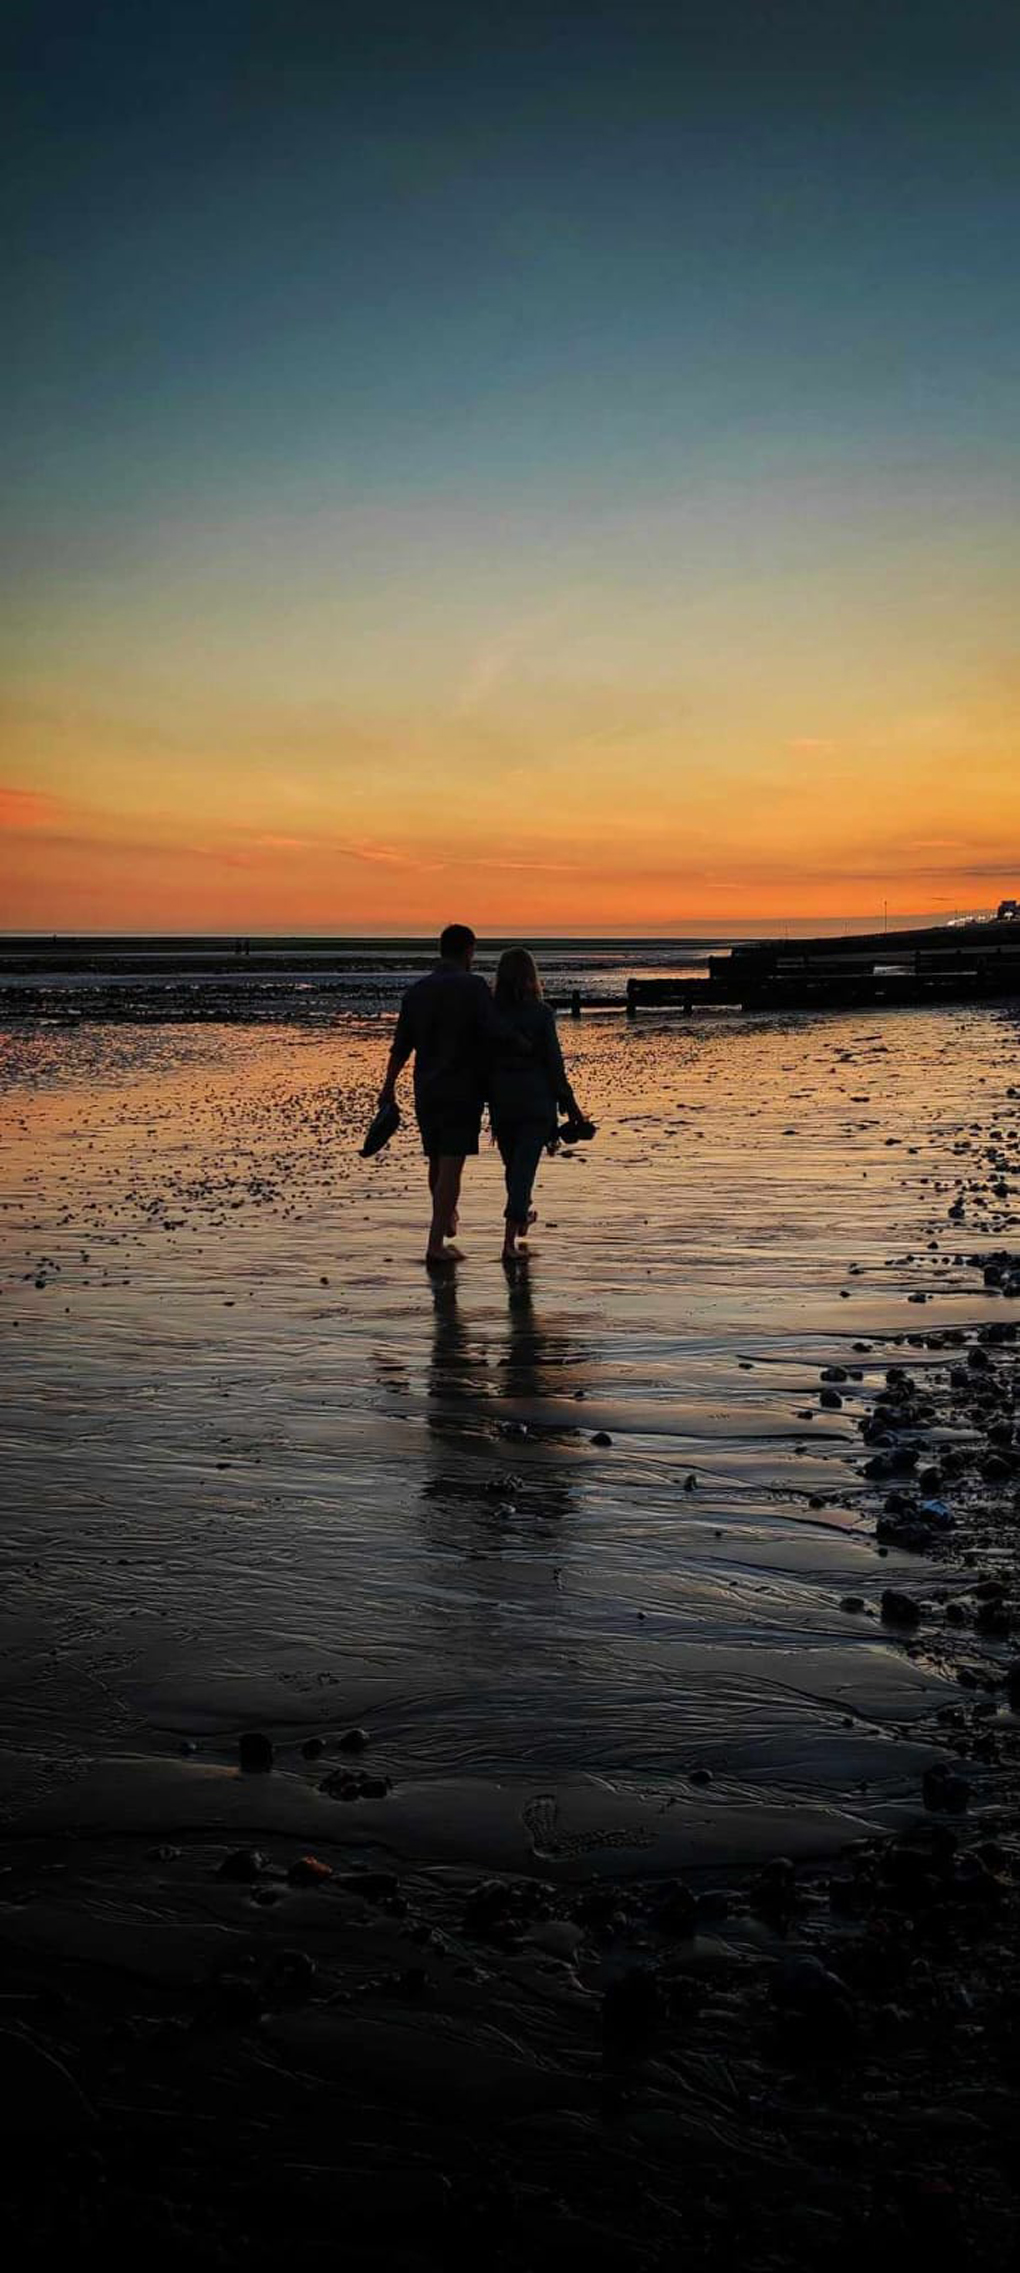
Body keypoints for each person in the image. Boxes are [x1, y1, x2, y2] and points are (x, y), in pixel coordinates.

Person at [377, 922, 519, 1268]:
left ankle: (445, 1218)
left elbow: (401, 1047)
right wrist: (525, 1044)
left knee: (437, 1161)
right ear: (468, 950)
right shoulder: (472, 987)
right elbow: (494, 1030)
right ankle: (435, 1244)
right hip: (462, 1088)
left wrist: (388, 1086)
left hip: (426, 1088)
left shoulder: (417, 991)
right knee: (451, 1166)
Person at [488, 946, 590, 1263]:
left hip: (502, 1101)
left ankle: (520, 1217)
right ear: (531, 977)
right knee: (522, 1169)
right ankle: (509, 1239)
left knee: (514, 1167)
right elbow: (553, 1064)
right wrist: (572, 1106)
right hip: (535, 1102)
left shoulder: (491, 1014)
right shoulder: (541, 1013)